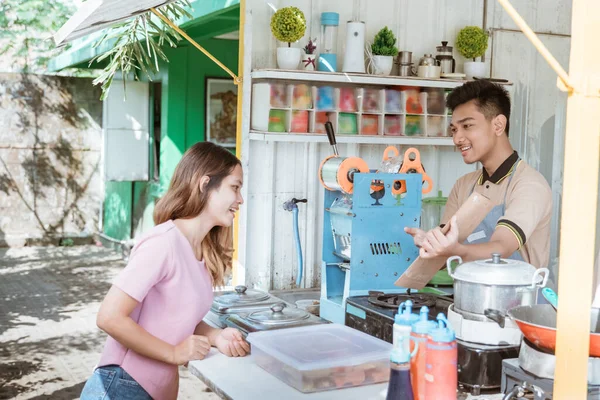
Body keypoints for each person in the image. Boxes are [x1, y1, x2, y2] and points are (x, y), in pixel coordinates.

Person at [80, 142, 250, 400]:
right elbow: (109, 317)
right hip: (119, 388)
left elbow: (175, 317)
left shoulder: (199, 251)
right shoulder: (164, 242)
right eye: (234, 187)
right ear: (205, 184)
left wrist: (216, 336)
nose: (240, 199)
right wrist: (174, 353)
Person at [406, 80, 552, 268]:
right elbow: (443, 253)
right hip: (473, 295)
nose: (457, 138)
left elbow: (501, 247)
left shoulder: (529, 185)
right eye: (454, 129)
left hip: (522, 297)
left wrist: (455, 251)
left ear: (498, 125)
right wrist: (429, 243)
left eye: (467, 126)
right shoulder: (463, 186)